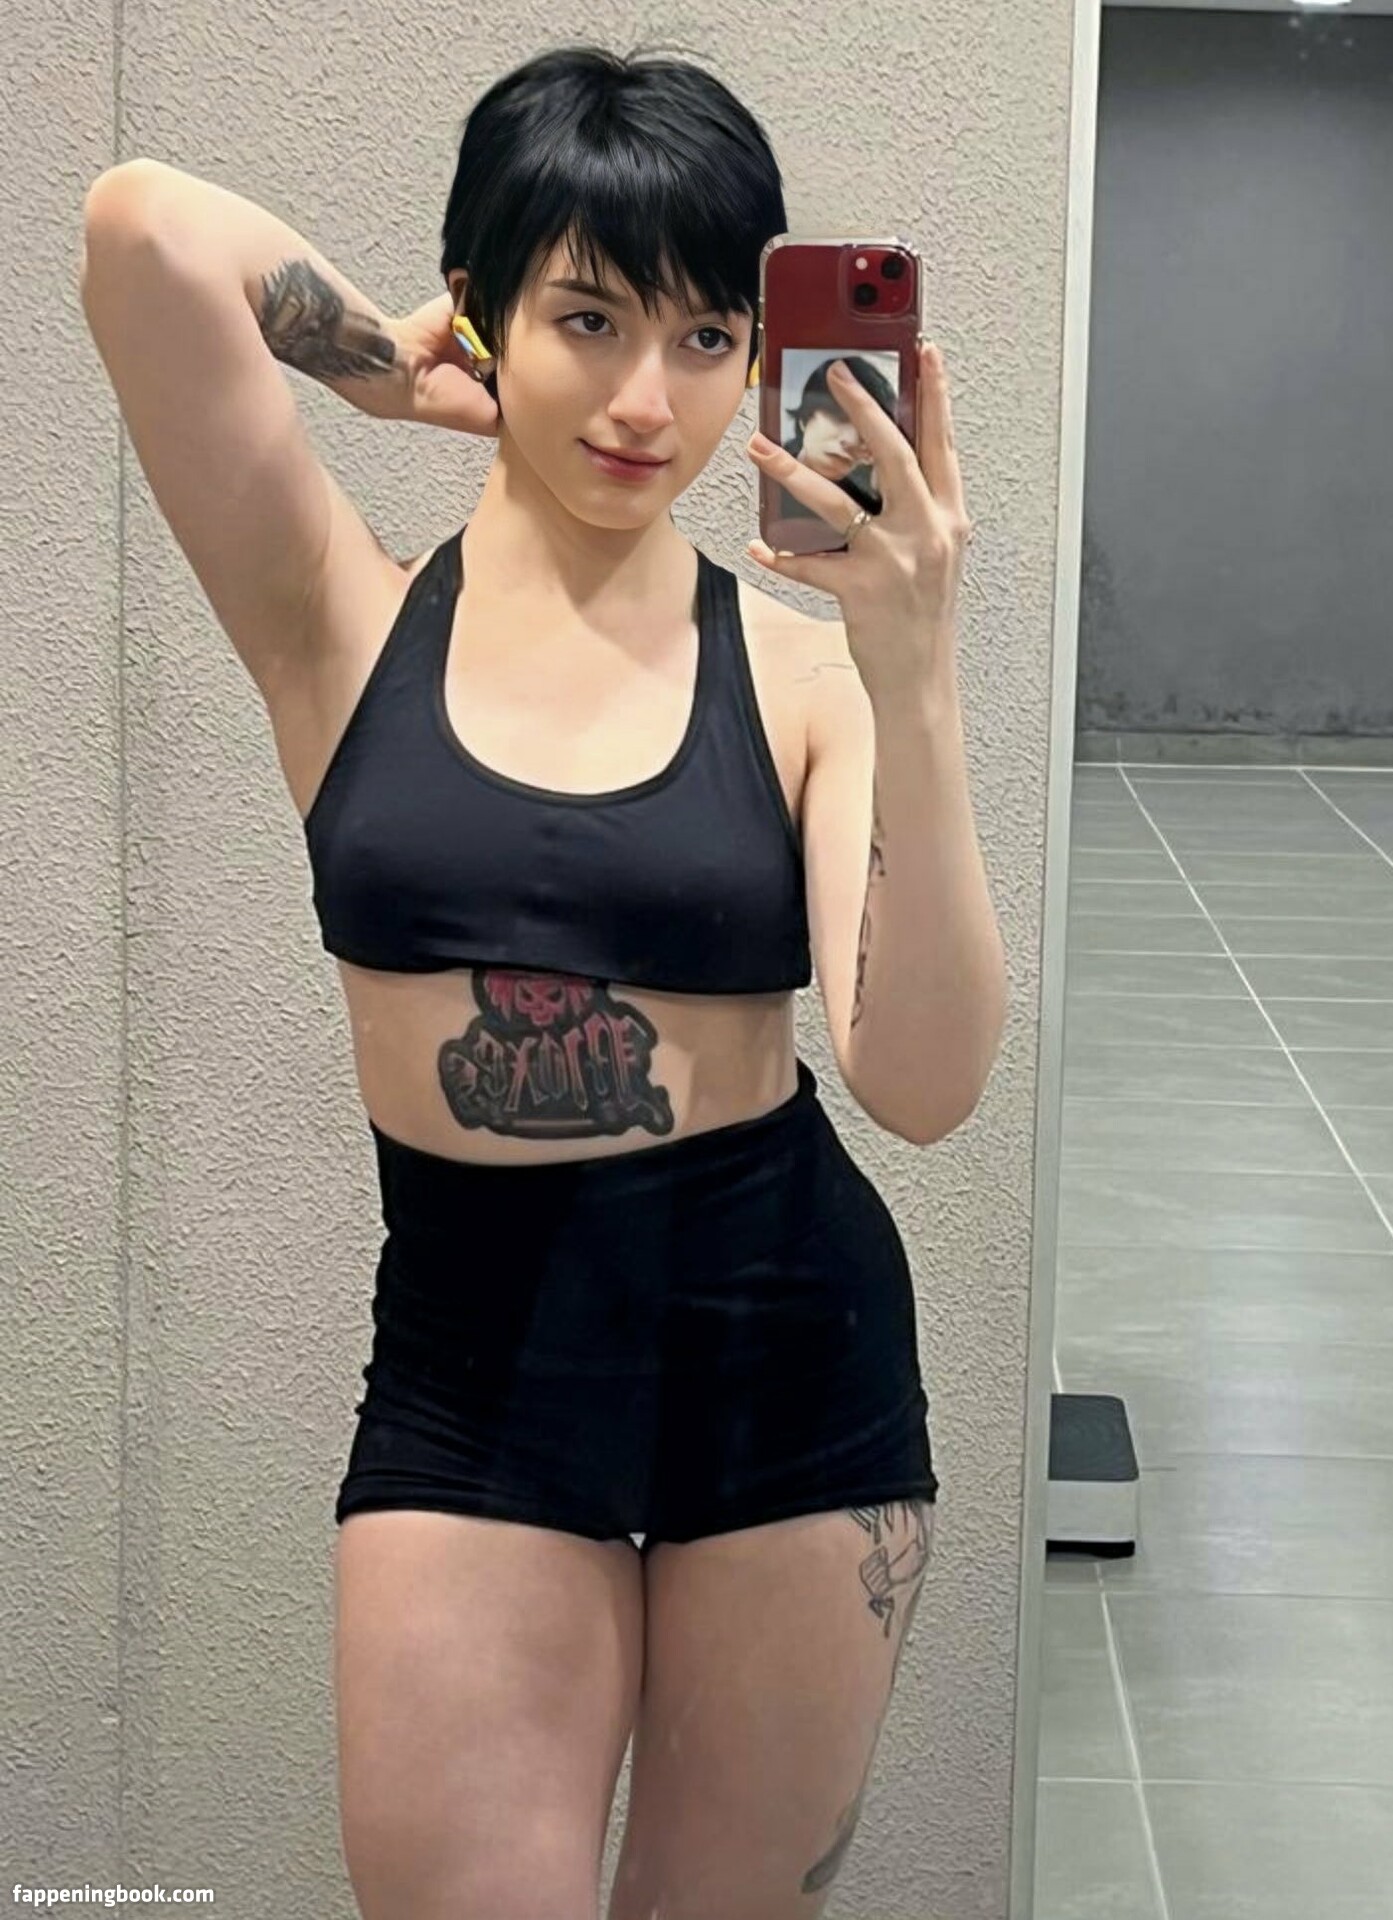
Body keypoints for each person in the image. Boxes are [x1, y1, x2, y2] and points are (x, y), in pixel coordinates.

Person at [82, 36, 988, 1920]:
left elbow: (922, 1083)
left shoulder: (805, 679)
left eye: (707, 338)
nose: (649, 400)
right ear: (489, 308)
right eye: (589, 320)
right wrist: (377, 365)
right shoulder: (338, 614)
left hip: (788, 1360)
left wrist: (913, 671)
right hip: (475, 1369)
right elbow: (141, 234)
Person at [779, 353, 898, 521]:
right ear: (805, 419)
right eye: (839, 417)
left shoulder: (870, 495)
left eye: (865, 429)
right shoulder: (767, 479)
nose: (851, 440)